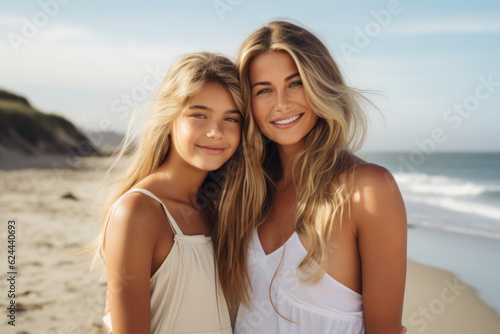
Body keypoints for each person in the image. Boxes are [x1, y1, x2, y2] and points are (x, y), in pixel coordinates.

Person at [213, 20, 407, 334]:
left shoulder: (368, 190)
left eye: (296, 83)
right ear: (248, 102)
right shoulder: (243, 191)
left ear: (320, 83)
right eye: (264, 90)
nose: (281, 103)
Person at [87, 52, 247, 333]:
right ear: (169, 118)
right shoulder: (137, 212)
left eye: (231, 119)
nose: (215, 131)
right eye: (200, 114)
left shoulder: (221, 208)